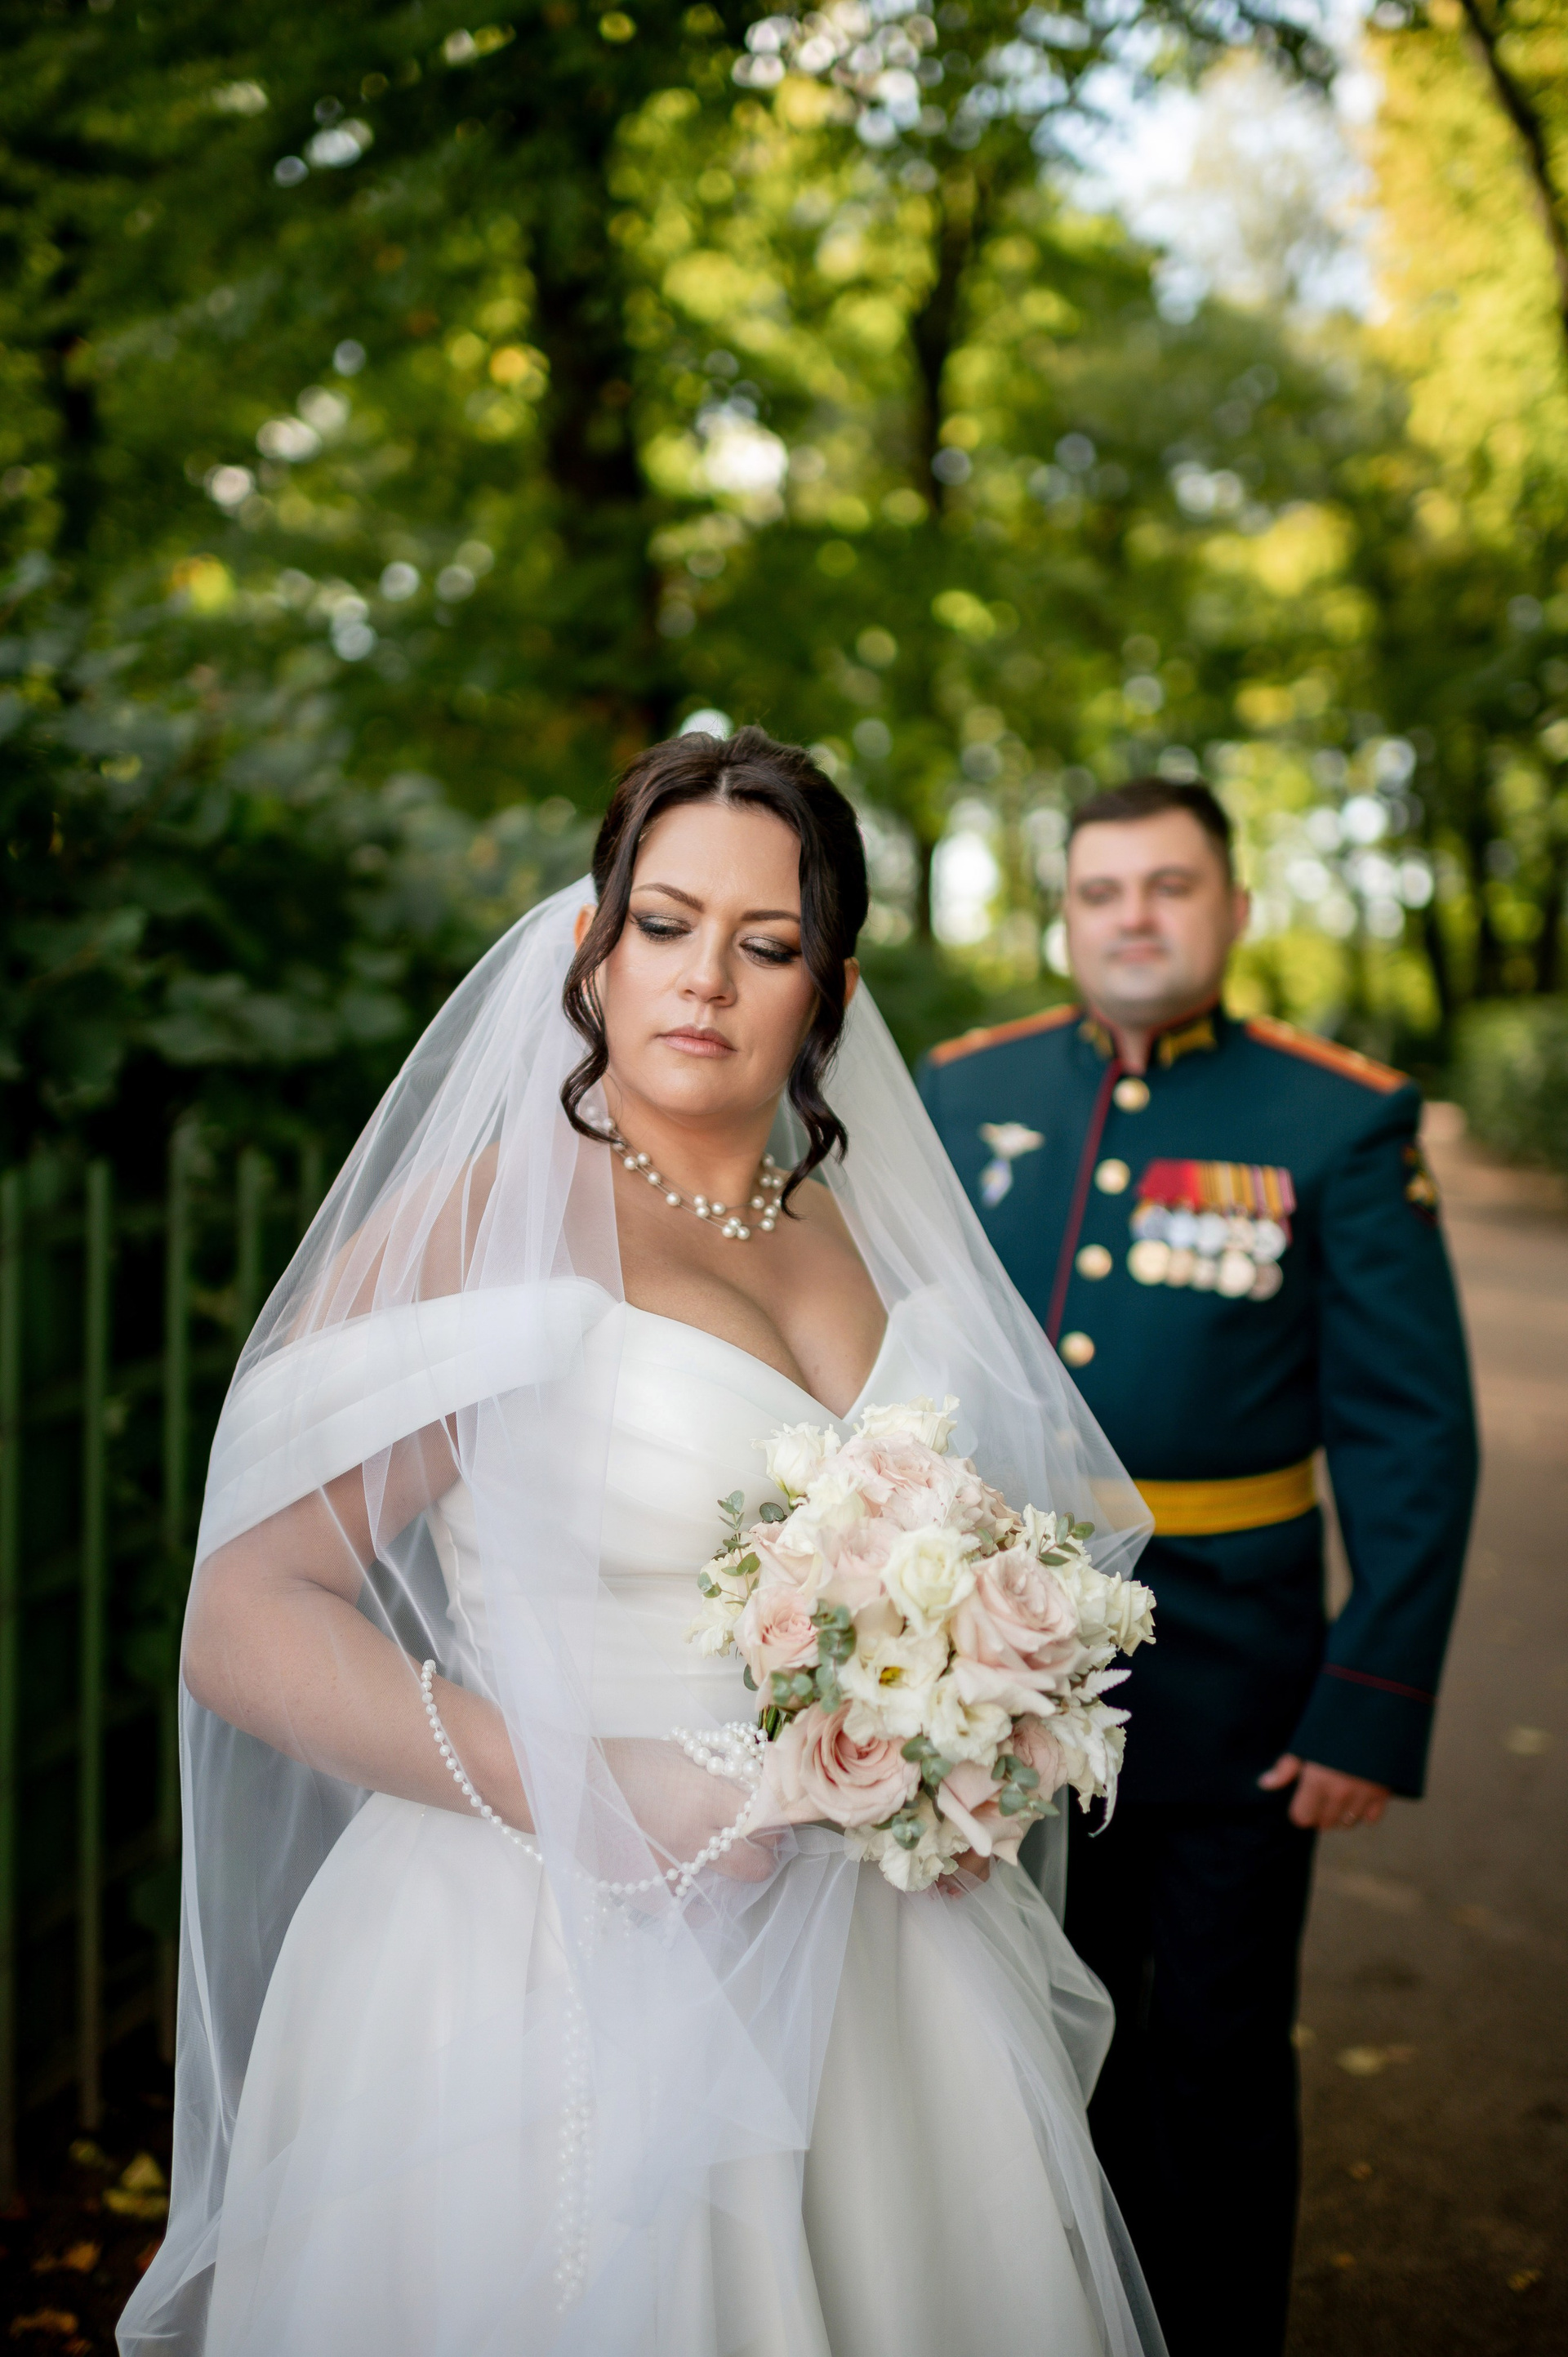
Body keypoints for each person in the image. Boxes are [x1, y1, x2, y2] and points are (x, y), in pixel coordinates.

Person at [120, 728, 1169, 2357]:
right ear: (593, 948)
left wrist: (963, 1735)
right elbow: (246, 1615)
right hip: (546, 1944)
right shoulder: (488, 1224)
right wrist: (596, 1790)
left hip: (885, 1954)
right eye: (665, 924)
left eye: (769, 945)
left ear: (828, 990)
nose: (706, 980)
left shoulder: (860, 1226)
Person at [917, 776, 1477, 2357]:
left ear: (1232, 907)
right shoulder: (965, 1090)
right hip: (999, 1675)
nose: (1135, 918)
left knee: (1216, 2049)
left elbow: (1413, 1434)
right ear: (1067, 916)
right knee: (1028, 2038)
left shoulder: (1335, 1116)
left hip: (1240, 1685)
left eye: (1169, 886)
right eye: (1102, 891)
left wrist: (1372, 1694)